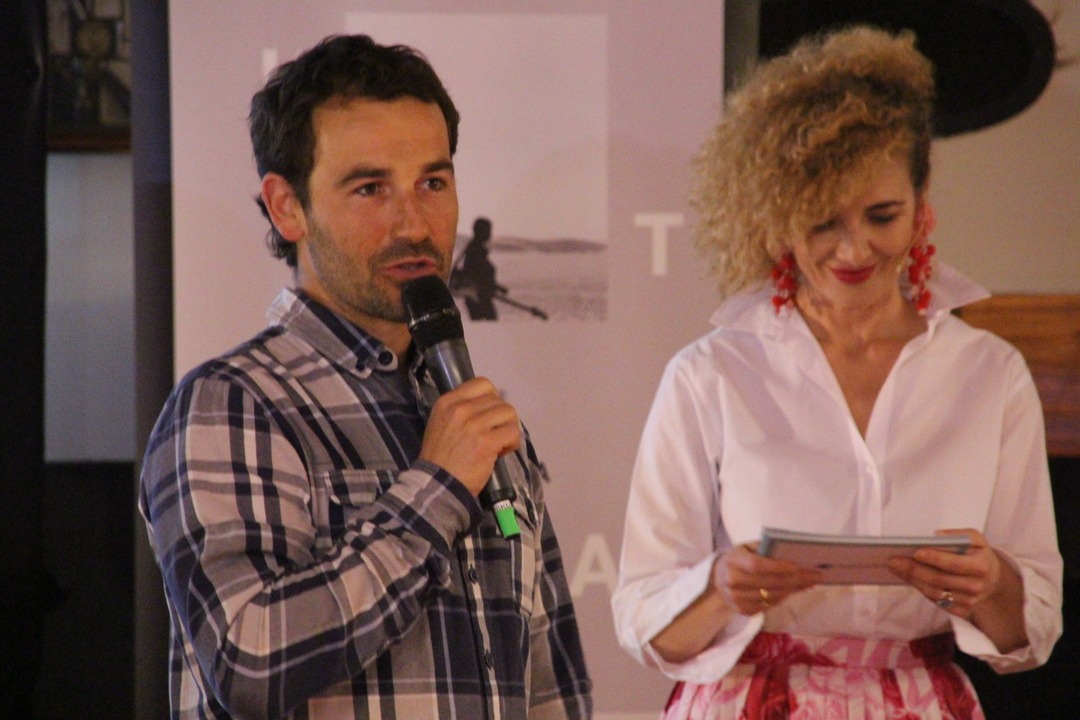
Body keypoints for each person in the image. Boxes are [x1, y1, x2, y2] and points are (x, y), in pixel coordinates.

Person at [612, 26, 1062, 719]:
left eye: (882, 216)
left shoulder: (988, 373)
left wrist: (990, 583)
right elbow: (644, 623)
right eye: (823, 221)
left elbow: (1029, 635)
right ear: (775, 214)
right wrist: (721, 589)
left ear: (922, 199)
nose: (854, 250)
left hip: (919, 700)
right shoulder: (712, 373)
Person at [139, 34, 591, 720]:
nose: (414, 223)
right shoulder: (232, 403)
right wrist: (438, 489)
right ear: (287, 206)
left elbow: (551, 685)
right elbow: (249, 662)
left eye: (433, 182)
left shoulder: (471, 412)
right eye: (371, 188)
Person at [450, 217, 507, 320]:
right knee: (488, 324)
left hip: (478, 295)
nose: (490, 234)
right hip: (477, 297)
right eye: (488, 230)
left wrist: (495, 287)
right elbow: (476, 274)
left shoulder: (475, 249)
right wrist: (493, 286)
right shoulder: (475, 250)